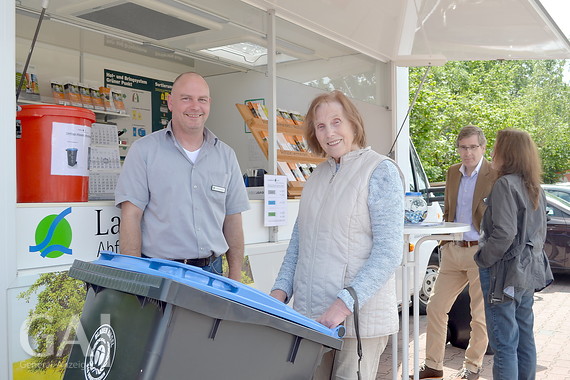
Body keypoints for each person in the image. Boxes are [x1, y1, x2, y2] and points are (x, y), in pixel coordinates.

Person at [270, 90, 404, 380]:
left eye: (336, 121)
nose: (329, 132)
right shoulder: (315, 177)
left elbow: (389, 251)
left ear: (353, 123)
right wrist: (277, 295)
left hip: (358, 323)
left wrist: (343, 305)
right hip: (312, 318)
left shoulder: (381, 171)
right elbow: (298, 246)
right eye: (320, 126)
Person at [114, 72, 249, 281]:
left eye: (201, 99)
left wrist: (235, 276)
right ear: (170, 103)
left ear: (209, 104)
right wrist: (133, 278)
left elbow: (233, 220)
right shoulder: (144, 151)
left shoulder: (226, 155)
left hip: (213, 272)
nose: (195, 106)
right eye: (186, 98)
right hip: (160, 272)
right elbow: (131, 217)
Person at [413, 125, 495, 380]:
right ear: (458, 148)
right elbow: (449, 209)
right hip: (453, 250)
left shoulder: (495, 174)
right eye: (463, 147)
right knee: (436, 308)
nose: (467, 152)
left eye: (473, 147)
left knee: (478, 315)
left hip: (480, 252)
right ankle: (434, 365)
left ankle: (472, 367)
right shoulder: (452, 173)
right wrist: (445, 243)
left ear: (482, 147)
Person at [474, 128, 553, 380]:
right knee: (524, 338)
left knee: (505, 343)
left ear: (506, 152)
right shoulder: (534, 187)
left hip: (503, 272)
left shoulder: (505, 184)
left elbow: (505, 233)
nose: (493, 152)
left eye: (497, 146)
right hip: (527, 272)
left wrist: (483, 258)